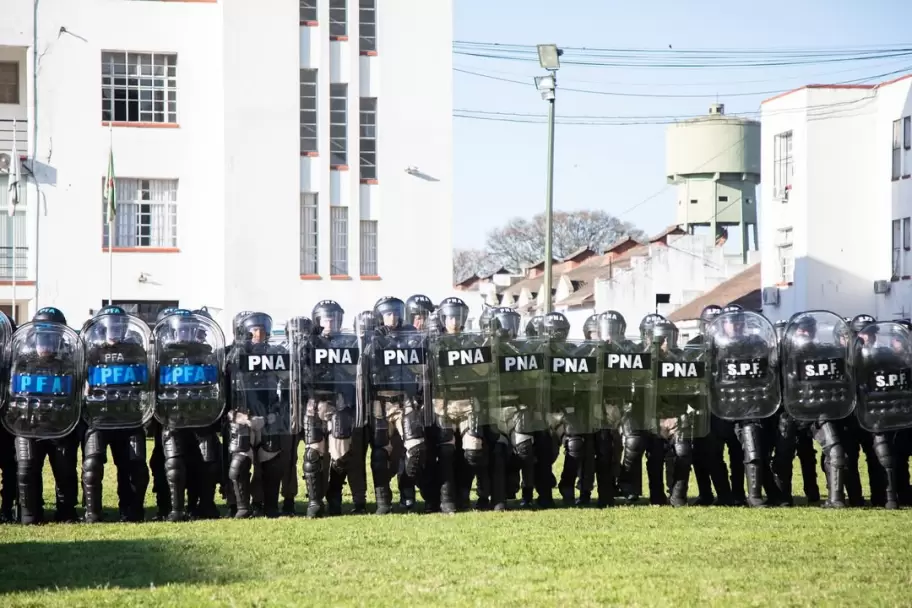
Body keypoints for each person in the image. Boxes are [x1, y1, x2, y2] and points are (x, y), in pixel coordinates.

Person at [6, 307, 82, 524]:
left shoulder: (71, 360)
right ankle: (30, 512)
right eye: (42, 339)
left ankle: (66, 511)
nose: (46, 345)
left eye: (51, 339)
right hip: (27, 426)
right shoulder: (20, 359)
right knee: (26, 468)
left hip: (61, 425)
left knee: (65, 471)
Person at [152, 309, 226, 521]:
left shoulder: (206, 354)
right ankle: (173, 508)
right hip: (173, 418)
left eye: (188, 330)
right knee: (172, 464)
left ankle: (205, 505)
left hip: (202, 417)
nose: (184, 334)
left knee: (210, 463)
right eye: (180, 329)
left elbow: (218, 386)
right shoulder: (161, 356)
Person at [81, 306, 152, 522]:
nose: (114, 331)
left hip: (129, 418)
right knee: (92, 466)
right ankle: (93, 513)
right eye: (110, 326)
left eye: (118, 326)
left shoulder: (136, 351)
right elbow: (77, 381)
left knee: (136, 468)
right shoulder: (90, 352)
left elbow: (147, 384)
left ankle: (131, 511)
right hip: (98, 419)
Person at [227, 312, 290, 518]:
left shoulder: (276, 354)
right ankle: (242, 507)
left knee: (273, 464)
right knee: (240, 462)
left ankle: (270, 507)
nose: (259, 333)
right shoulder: (232, 354)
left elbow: (289, 381)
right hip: (240, 416)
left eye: (262, 329)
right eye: (254, 329)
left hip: (269, 416)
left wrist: (279, 410)